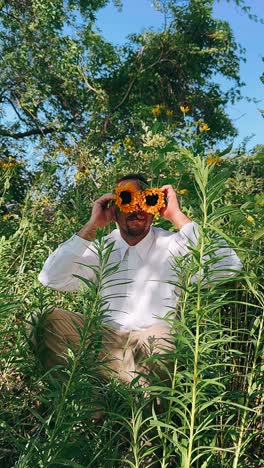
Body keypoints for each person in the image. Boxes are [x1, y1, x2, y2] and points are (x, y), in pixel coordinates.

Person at [37, 173, 242, 384]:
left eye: (147, 200)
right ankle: (85, 409)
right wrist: (92, 227)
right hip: (104, 343)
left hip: (152, 343)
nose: (137, 208)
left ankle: (146, 411)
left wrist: (176, 216)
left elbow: (229, 266)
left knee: (163, 337)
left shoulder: (175, 245)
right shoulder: (101, 248)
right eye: (126, 199)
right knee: (45, 318)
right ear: (114, 210)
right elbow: (50, 278)